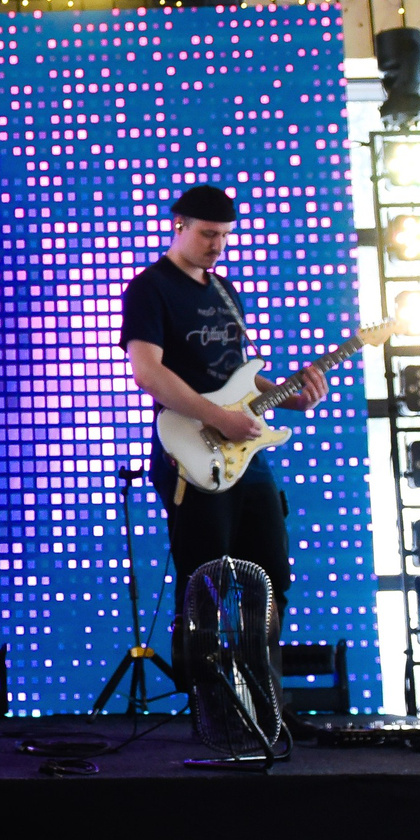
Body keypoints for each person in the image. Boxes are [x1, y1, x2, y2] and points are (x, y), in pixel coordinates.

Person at [120, 185, 328, 677]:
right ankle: (209, 700)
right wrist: (217, 418)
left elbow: (240, 376)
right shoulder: (151, 288)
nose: (218, 246)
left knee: (270, 575)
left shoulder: (224, 291)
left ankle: (262, 695)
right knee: (205, 580)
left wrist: (290, 396)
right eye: (208, 234)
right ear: (179, 226)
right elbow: (147, 372)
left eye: (225, 236)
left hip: (245, 452)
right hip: (190, 449)